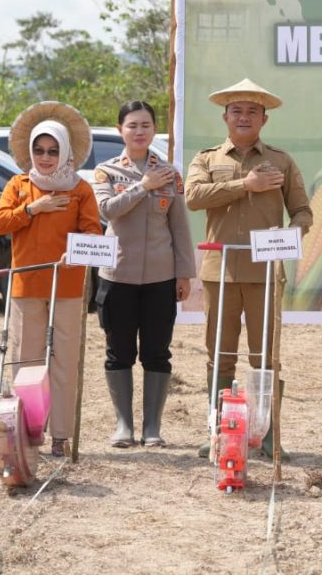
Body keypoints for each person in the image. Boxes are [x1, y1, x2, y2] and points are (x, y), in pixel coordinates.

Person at [186, 78, 312, 459]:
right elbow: (192, 197)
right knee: (219, 355)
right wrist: (247, 185)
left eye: (252, 112)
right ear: (225, 117)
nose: (244, 118)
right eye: (237, 111)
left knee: (266, 356)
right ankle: (216, 431)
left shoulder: (282, 161)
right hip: (218, 272)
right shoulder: (207, 159)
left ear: (264, 120)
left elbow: (303, 211)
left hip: (264, 273)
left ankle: (268, 434)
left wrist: (292, 234)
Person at [0, 102, 102, 458]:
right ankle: (26, 429)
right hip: (27, 287)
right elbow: (0, 223)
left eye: (53, 151)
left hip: (67, 287)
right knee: (28, 361)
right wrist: (32, 209)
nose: (45, 157)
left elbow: (93, 232)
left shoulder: (80, 189)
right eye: (39, 150)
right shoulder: (19, 184)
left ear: (66, 152)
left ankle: (60, 435)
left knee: (64, 360)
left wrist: (78, 251)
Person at [93, 100, 196, 449]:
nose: (139, 132)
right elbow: (109, 210)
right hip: (117, 275)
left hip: (160, 278)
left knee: (157, 352)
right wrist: (143, 186)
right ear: (120, 129)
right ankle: (124, 425)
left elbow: (180, 228)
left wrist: (184, 274)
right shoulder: (106, 172)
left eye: (146, 125)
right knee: (118, 351)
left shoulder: (171, 174)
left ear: (155, 130)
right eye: (132, 125)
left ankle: (152, 426)